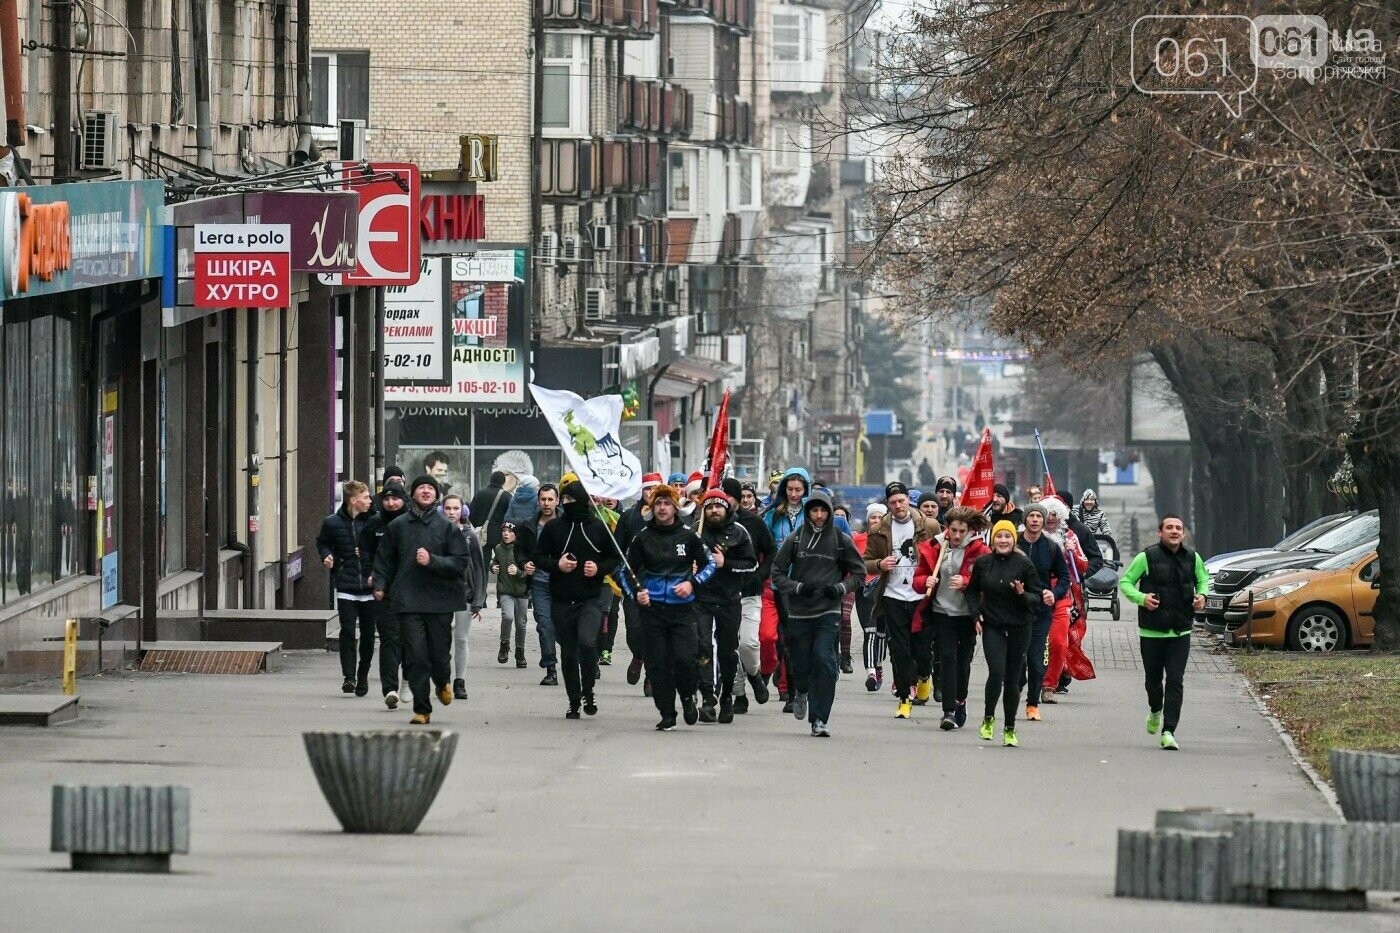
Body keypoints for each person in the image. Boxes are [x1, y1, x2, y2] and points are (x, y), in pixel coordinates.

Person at [372, 475, 469, 724]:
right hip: (408, 599)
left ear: (436, 495)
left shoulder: (447, 528)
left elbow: (460, 562)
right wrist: (380, 585)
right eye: (420, 488)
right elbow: (384, 560)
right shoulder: (398, 527)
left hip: (440, 600)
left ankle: (442, 681)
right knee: (415, 656)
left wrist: (433, 560)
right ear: (412, 494)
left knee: (438, 654)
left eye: (430, 488)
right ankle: (422, 709)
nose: (425, 491)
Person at [770, 489, 864, 736]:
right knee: (801, 665)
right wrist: (798, 587)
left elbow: (860, 573)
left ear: (830, 512)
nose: (819, 515)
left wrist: (840, 588)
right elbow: (777, 573)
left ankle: (820, 719)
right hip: (799, 612)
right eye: (814, 510)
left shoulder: (840, 539)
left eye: (823, 510)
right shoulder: (796, 538)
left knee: (824, 661)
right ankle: (800, 690)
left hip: (828, 611)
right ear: (808, 513)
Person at [623, 484, 715, 731]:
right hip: (652, 610)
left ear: (675, 508)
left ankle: (687, 697)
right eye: (658, 504)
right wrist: (636, 592)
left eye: (666, 504)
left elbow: (709, 566)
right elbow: (626, 571)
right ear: (651, 508)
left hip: (682, 610)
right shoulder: (642, 537)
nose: (662, 508)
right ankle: (667, 713)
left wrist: (691, 584)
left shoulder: (689, 536)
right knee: (657, 663)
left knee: (685, 660)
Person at [1119, 514, 1207, 751]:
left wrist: (1202, 597)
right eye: (1169, 527)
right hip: (1152, 631)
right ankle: (1155, 709)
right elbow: (1125, 582)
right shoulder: (1146, 557)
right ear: (1160, 532)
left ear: (1184, 533)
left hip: (1181, 630)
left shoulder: (1193, 557)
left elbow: (1203, 580)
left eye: (1179, 528)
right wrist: (1142, 598)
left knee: (1176, 681)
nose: (1174, 531)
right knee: (1153, 681)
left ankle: (1169, 731)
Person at [534, 480, 621, 719]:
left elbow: (615, 558)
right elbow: (539, 556)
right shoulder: (554, 528)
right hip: (561, 601)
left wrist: (599, 568)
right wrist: (557, 565)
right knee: (568, 653)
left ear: (585, 502)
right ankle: (573, 701)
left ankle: (588, 690)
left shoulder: (599, 527)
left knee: (587, 642)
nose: (568, 504)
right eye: (565, 501)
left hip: (590, 599)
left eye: (572, 500)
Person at [862, 482, 937, 719]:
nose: (898, 506)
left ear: (908, 500)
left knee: (922, 648)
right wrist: (879, 564)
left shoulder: (929, 526)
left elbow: (943, 553)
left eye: (901, 501)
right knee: (900, 649)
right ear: (888, 505)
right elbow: (866, 561)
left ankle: (925, 676)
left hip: (921, 596)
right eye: (893, 503)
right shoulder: (879, 530)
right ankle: (905, 697)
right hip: (892, 595)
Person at [967, 520, 1044, 747]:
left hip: (1020, 625)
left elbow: (1036, 598)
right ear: (993, 540)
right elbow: (971, 592)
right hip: (993, 625)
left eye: (1007, 537)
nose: (1003, 540)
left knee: (1013, 678)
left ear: (1013, 539)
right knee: (997, 672)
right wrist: (975, 615)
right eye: (999, 536)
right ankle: (988, 718)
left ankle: (1010, 728)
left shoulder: (1024, 564)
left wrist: (1022, 594)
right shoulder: (983, 563)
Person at [913, 506, 990, 730]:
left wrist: (966, 582)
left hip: (967, 613)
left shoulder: (980, 550)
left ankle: (961, 700)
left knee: (963, 661)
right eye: (953, 530)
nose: (957, 536)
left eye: (962, 531)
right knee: (947, 658)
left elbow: (987, 581)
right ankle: (948, 710)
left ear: (969, 531)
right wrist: (925, 581)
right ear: (947, 528)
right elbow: (918, 579)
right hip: (942, 611)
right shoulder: (935, 546)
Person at [695, 488, 759, 723]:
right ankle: (707, 698)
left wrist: (726, 563)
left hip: (729, 600)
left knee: (727, 651)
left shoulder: (739, 532)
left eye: (718, 506)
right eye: (709, 506)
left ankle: (726, 697)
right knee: (703, 646)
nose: (713, 510)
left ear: (726, 508)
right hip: (701, 600)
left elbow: (751, 566)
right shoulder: (697, 532)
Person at [316, 480, 381, 697]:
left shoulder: (374, 521)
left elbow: (384, 548)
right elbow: (322, 542)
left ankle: (363, 673)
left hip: (370, 586)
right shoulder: (332, 523)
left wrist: (368, 557)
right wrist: (326, 556)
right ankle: (349, 677)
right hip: (346, 584)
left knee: (369, 635)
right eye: (366, 497)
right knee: (346, 631)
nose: (370, 501)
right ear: (353, 501)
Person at [721, 477, 773, 714]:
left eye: (728, 497)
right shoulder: (710, 524)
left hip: (750, 593)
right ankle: (739, 694)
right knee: (728, 647)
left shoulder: (754, 523)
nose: (723, 502)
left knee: (749, 643)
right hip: (722, 595)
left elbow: (772, 553)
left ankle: (754, 675)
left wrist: (760, 575)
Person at [1016, 503, 1069, 722]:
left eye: (1039, 516)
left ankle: (1032, 704)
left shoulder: (1051, 547)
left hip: (1040, 611)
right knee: (1017, 660)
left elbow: (1064, 577)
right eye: (1032, 516)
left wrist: (1054, 593)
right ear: (1025, 520)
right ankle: (1017, 684)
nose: (1036, 520)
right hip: (1015, 610)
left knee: (1036, 661)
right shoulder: (1012, 543)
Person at [1038, 497, 1088, 708]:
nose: (1051, 518)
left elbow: (1083, 566)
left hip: (1061, 595)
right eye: (1047, 514)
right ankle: (1029, 680)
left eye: (1055, 514)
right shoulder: (1030, 537)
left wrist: (1072, 552)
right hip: (1034, 596)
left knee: (1059, 642)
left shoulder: (1070, 537)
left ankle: (1049, 686)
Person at [615, 473, 662, 691]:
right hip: (633, 583)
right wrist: (619, 574)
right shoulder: (629, 517)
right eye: (647, 489)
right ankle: (638, 656)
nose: (651, 494)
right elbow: (617, 549)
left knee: (655, 632)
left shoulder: (665, 516)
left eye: (655, 489)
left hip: (660, 585)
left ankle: (652, 676)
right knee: (634, 630)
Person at [442, 494, 488, 701]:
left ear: (463, 511)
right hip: (440, 594)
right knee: (440, 640)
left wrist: (478, 599)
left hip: (464, 594)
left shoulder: (470, 536)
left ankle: (459, 681)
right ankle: (442, 679)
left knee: (461, 639)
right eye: (448, 508)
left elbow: (479, 568)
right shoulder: (435, 532)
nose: (451, 512)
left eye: (455, 508)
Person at [370, 477, 409, 703]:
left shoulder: (413, 524)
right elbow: (368, 555)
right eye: (387, 499)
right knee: (388, 639)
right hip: (385, 592)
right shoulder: (375, 525)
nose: (391, 503)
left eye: (396, 498)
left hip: (411, 592)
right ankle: (390, 689)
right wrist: (374, 579)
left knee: (409, 640)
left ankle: (407, 679)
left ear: (404, 500)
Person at [519, 483, 561, 686]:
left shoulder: (567, 523)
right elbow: (519, 551)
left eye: (550, 499)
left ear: (557, 501)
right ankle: (551, 668)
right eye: (543, 499)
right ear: (538, 501)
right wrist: (524, 563)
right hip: (539, 582)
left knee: (564, 627)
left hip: (564, 583)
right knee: (544, 625)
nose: (546, 503)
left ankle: (582, 661)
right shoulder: (528, 525)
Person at [855, 502, 888, 692]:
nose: (875, 520)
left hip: (884, 590)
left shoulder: (889, 540)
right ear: (868, 520)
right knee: (870, 631)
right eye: (872, 517)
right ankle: (871, 673)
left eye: (879, 517)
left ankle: (879, 665)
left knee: (882, 633)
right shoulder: (858, 540)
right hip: (864, 591)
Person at [493, 521, 531, 667]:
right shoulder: (498, 548)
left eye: (510, 531)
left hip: (522, 592)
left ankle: (520, 651)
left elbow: (530, 570)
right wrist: (493, 567)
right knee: (507, 617)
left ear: (516, 534)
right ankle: (504, 644)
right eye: (504, 531)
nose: (506, 534)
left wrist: (519, 572)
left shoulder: (523, 549)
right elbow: (494, 561)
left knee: (521, 624)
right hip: (505, 591)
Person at [832, 505, 857, 673]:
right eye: (836, 516)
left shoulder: (852, 540)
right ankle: (833, 654)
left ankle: (845, 655)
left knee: (845, 617)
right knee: (832, 619)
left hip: (848, 581)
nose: (839, 519)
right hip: (829, 581)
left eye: (842, 517)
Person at [468, 470, 513, 551]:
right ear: (503, 481)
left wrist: (478, 525)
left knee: (483, 562)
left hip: (483, 535)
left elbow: (470, 513)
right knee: (500, 561)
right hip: (500, 536)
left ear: (491, 479)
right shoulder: (506, 496)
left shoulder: (480, 494)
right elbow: (511, 516)